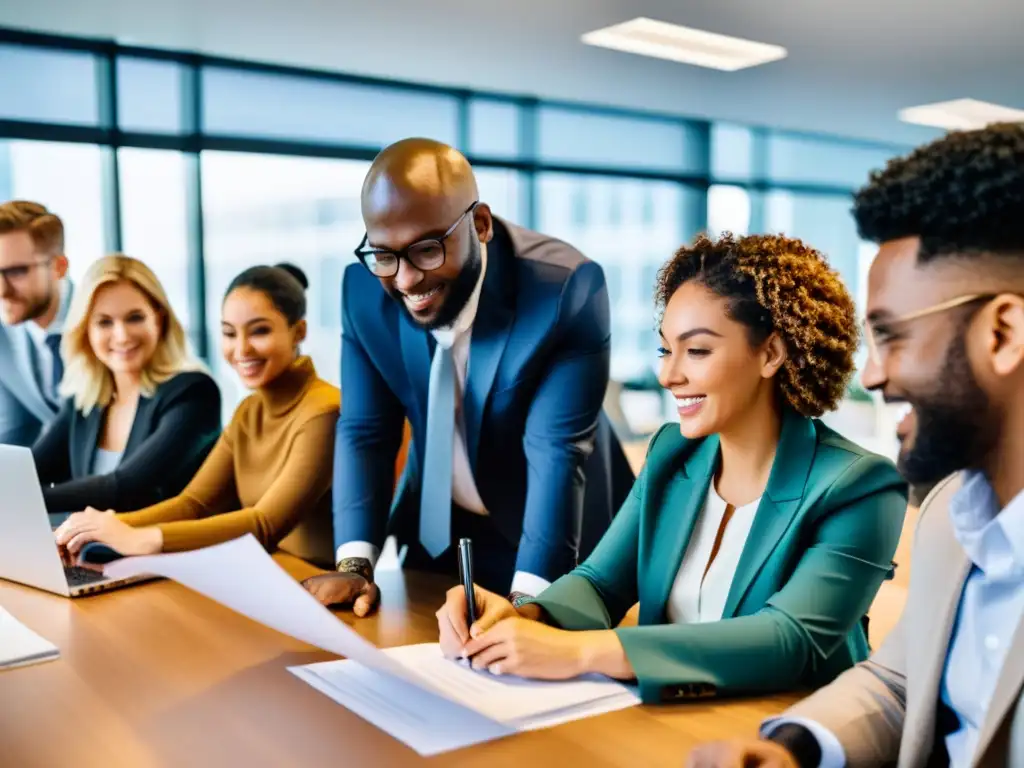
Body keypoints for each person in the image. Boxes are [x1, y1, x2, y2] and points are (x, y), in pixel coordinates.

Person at [434, 232, 908, 702]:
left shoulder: (860, 486)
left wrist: (581, 652)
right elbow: (600, 584)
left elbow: (790, 640)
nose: (668, 375)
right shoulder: (673, 453)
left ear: (771, 354)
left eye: (697, 351)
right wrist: (523, 618)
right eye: (666, 349)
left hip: (784, 735)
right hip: (665, 721)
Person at [685, 122, 1024, 768]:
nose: (870, 374)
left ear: (1003, 333)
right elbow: (900, 686)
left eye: (893, 337)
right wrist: (792, 748)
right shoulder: (955, 517)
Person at [303, 138, 633, 616]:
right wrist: (355, 566)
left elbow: (555, 452)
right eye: (385, 254)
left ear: (480, 225)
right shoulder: (364, 291)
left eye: (427, 249)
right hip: (441, 534)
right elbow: (365, 431)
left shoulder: (564, 290)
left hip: (556, 542)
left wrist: (528, 607)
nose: (406, 280)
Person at [54, 264, 340, 567]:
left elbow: (265, 524)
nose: (241, 348)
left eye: (259, 331)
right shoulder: (249, 411)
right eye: (229, 333)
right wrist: (95, 529)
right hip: (263, 580)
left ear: (299, 331)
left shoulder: (323, 411)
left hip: (320, 596)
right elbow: (194, 504)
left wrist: (146, 538)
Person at [32, 254, 221, 515]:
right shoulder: (84, 402)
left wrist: (23, 498)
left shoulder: (194, 393)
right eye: (104, 322)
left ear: (159, 318)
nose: (121, 336)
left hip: (171, 552)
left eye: (134, 318)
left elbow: (126, 488)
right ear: (86, 330)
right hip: (94, 554)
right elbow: (29, 470)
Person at [0, 201, 72, 446]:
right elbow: (15, 432)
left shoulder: (112, 328)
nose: (2, 290)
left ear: (59, 267)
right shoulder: (3, 336)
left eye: (16, 271)